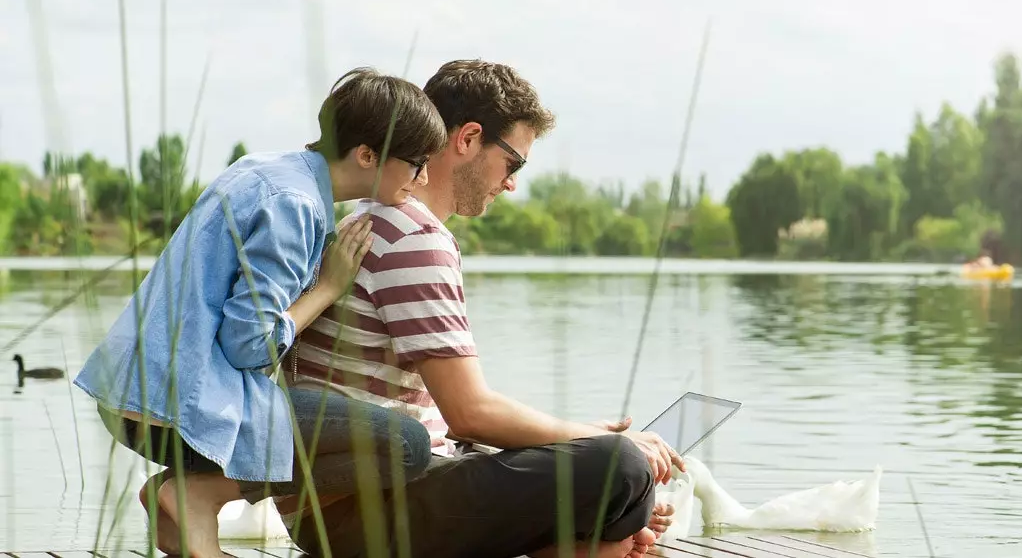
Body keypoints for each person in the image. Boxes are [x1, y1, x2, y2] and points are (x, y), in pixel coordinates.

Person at [278, 59, 681, 558]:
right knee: (622, 466)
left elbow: (453, 423)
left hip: (350, 503)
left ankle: (594, 540)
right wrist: (605, 450)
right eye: (514, 162)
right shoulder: (414, 238)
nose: (512, 183)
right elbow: (470, 414)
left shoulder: (373, 218)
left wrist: (576, 440)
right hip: (359, 516)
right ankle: (598, 539)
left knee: (606, 467)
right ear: (467, 138)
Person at [72, 68, 445, 558]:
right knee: (405, 445)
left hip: (134, 394)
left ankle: (184, 499)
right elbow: (247, 344)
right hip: (173, 410)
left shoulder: (266, 169)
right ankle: (198, 493)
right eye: (416, 163)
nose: (422, 178)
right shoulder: (295, 205)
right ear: (367, 155)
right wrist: (329, 288)